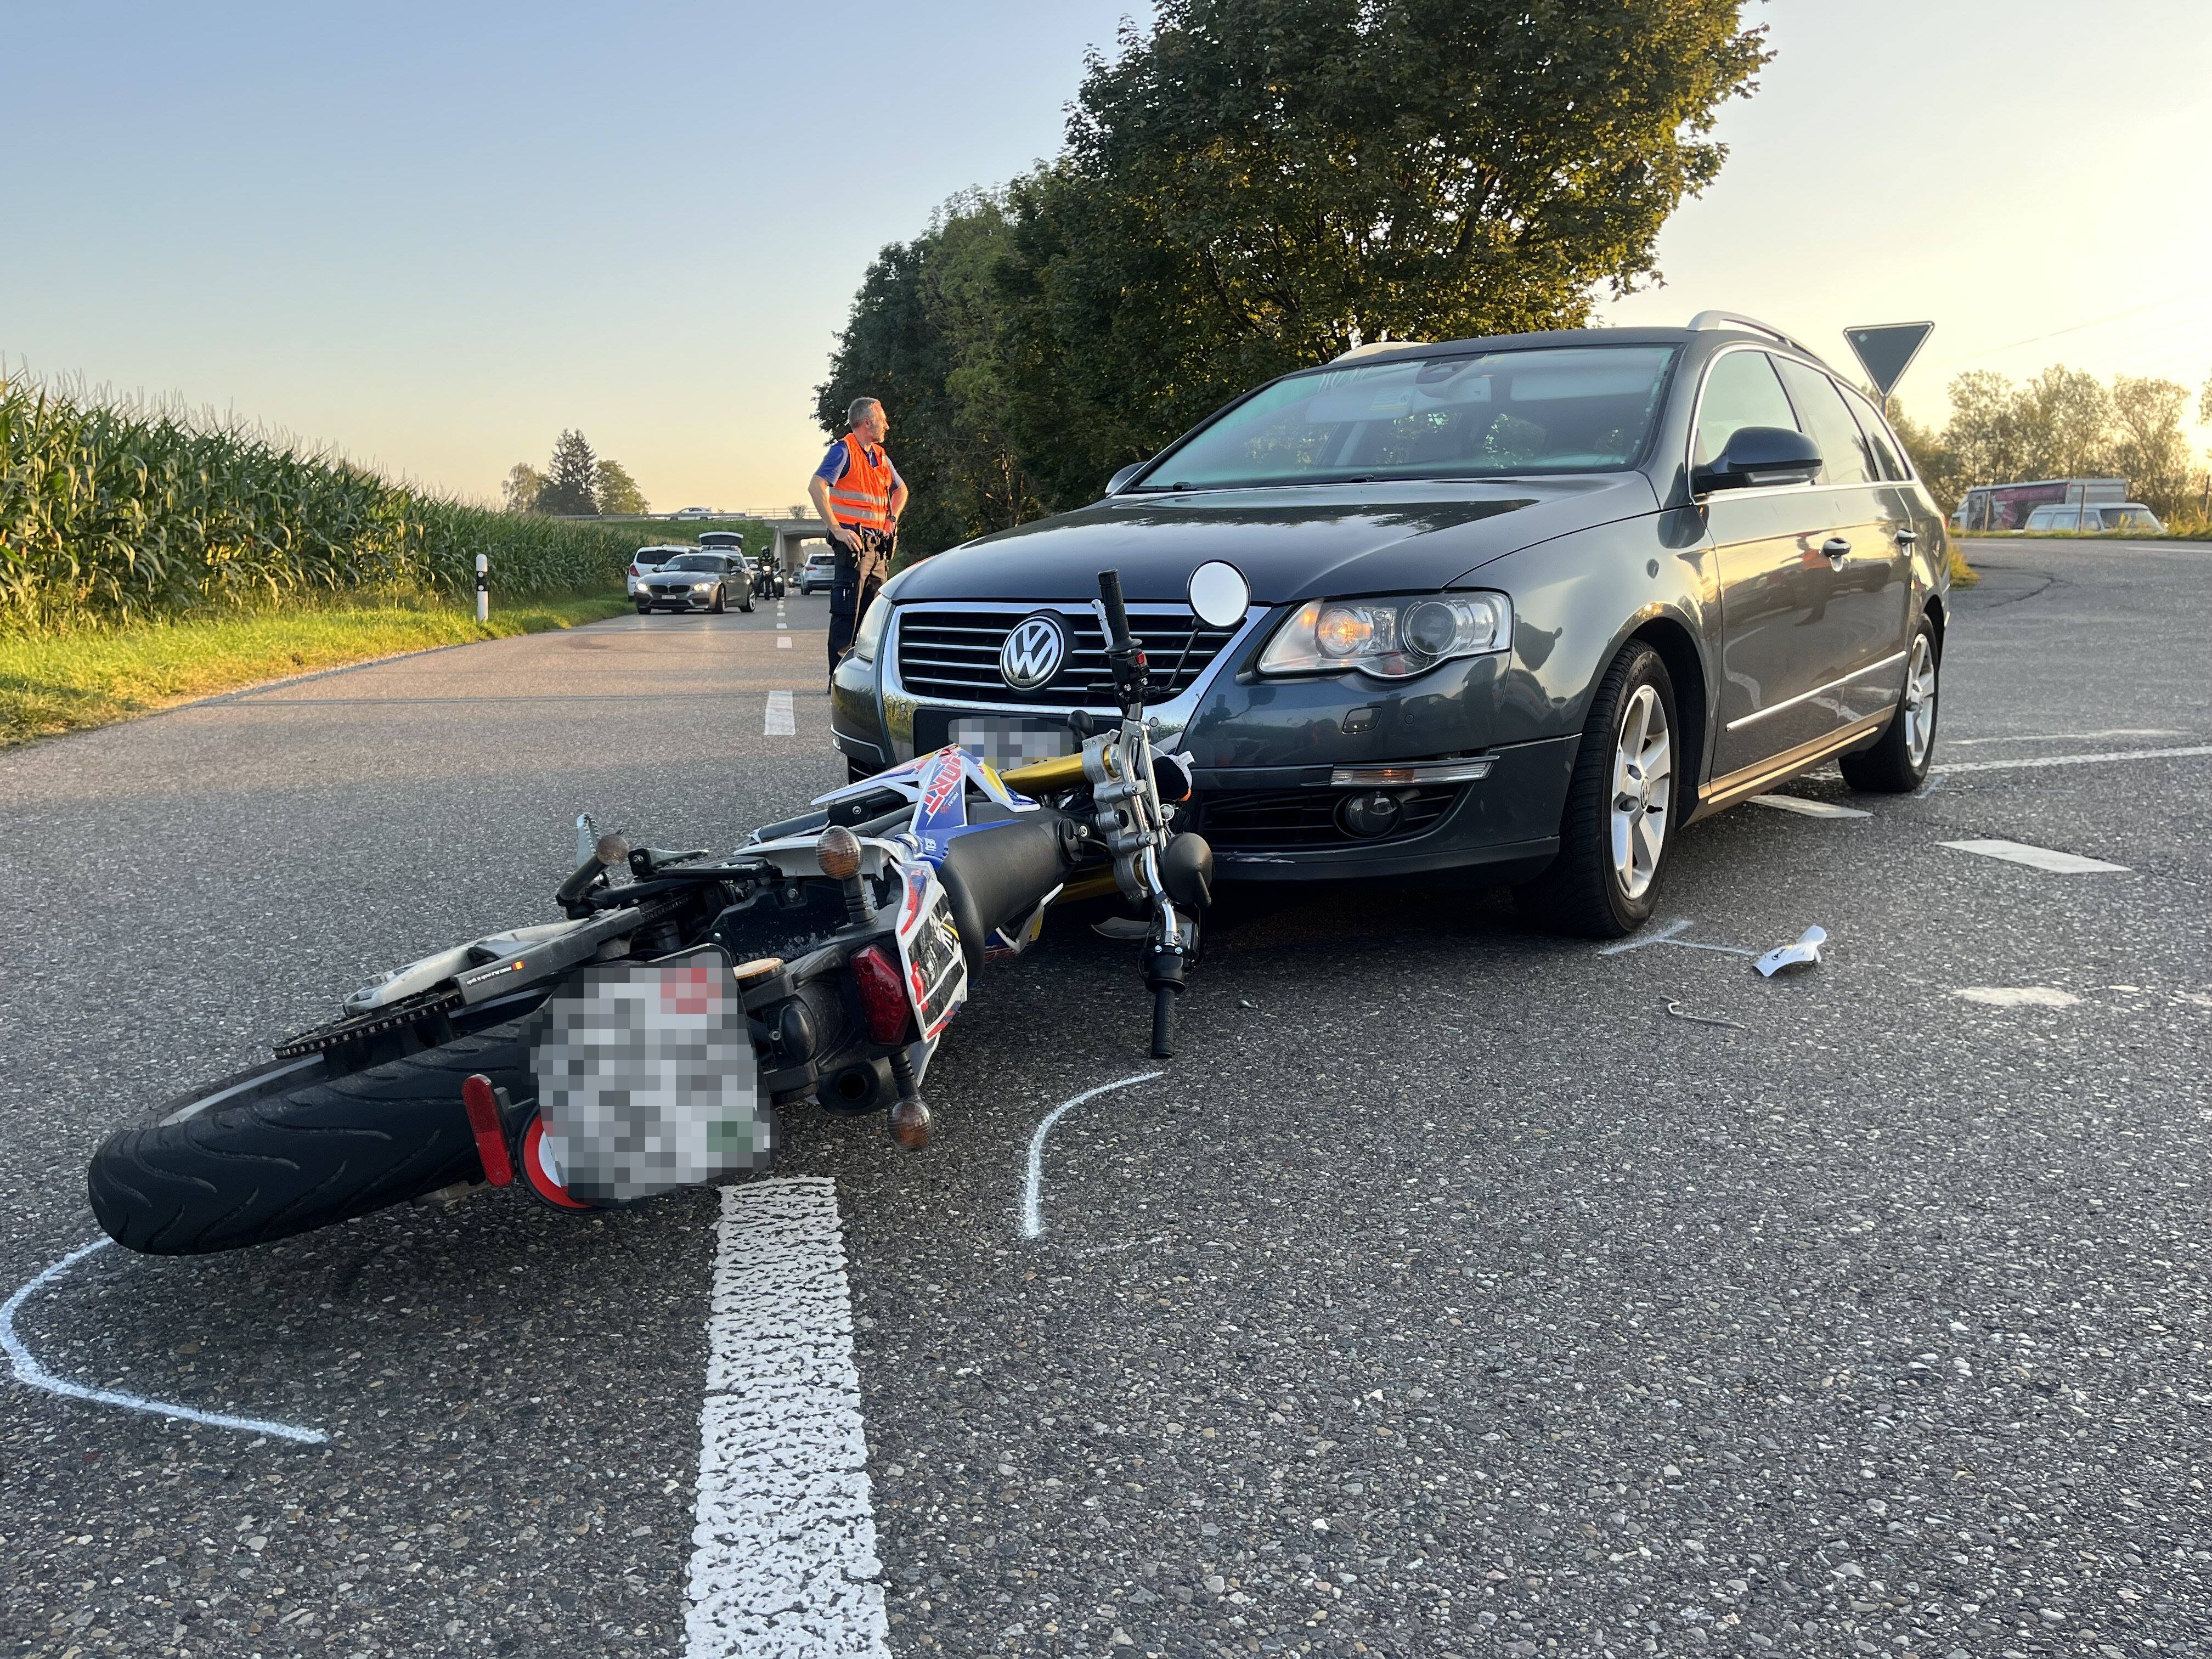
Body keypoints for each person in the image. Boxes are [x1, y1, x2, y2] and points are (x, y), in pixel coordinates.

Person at [809, 397, 909, 686]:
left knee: (873, 618)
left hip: (879, 550)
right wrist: (837, 529)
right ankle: (839, 681)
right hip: (854, 547)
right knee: (847, 614)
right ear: (867, 422)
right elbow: (816, 486)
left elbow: (901, 491)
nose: (887, 425)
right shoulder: (844, 451)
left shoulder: (881, 457)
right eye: (883, 419)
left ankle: (866, 682)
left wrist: (892, 519)